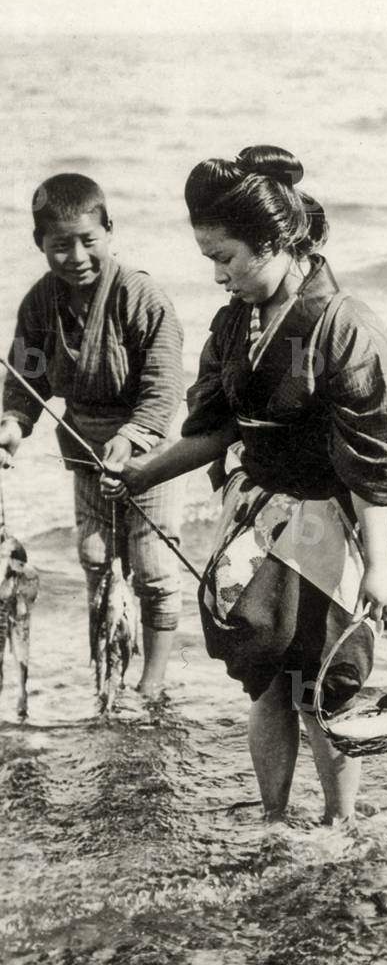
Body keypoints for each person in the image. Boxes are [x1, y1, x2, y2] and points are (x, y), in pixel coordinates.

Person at [101, 145, 387, 823]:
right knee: (267, 684)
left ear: (277, 241)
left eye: (227, 258)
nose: (219, 276)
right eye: (209, 261)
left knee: (324, 689)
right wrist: (142, 470)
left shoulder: (346, 326)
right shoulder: (233, 324)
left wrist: (379, 568)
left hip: (333, 521)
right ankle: (275, 820)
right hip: (257, 519)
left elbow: (373, 460)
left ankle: (338, 826)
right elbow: (217, 429)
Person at [0, 173, 184, 696]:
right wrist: (13, 425)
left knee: (152, 570)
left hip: (153, 451)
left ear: (109, 230)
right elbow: (27, 375)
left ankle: (151, 685)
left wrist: (131, 441)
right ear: (40, 245)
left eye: (88, 240)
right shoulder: (39, 304)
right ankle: (105, 676)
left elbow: (165, 381)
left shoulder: (140, 296)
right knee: (97, 556)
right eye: (60, 245)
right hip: (84, 450)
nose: (76, 255)